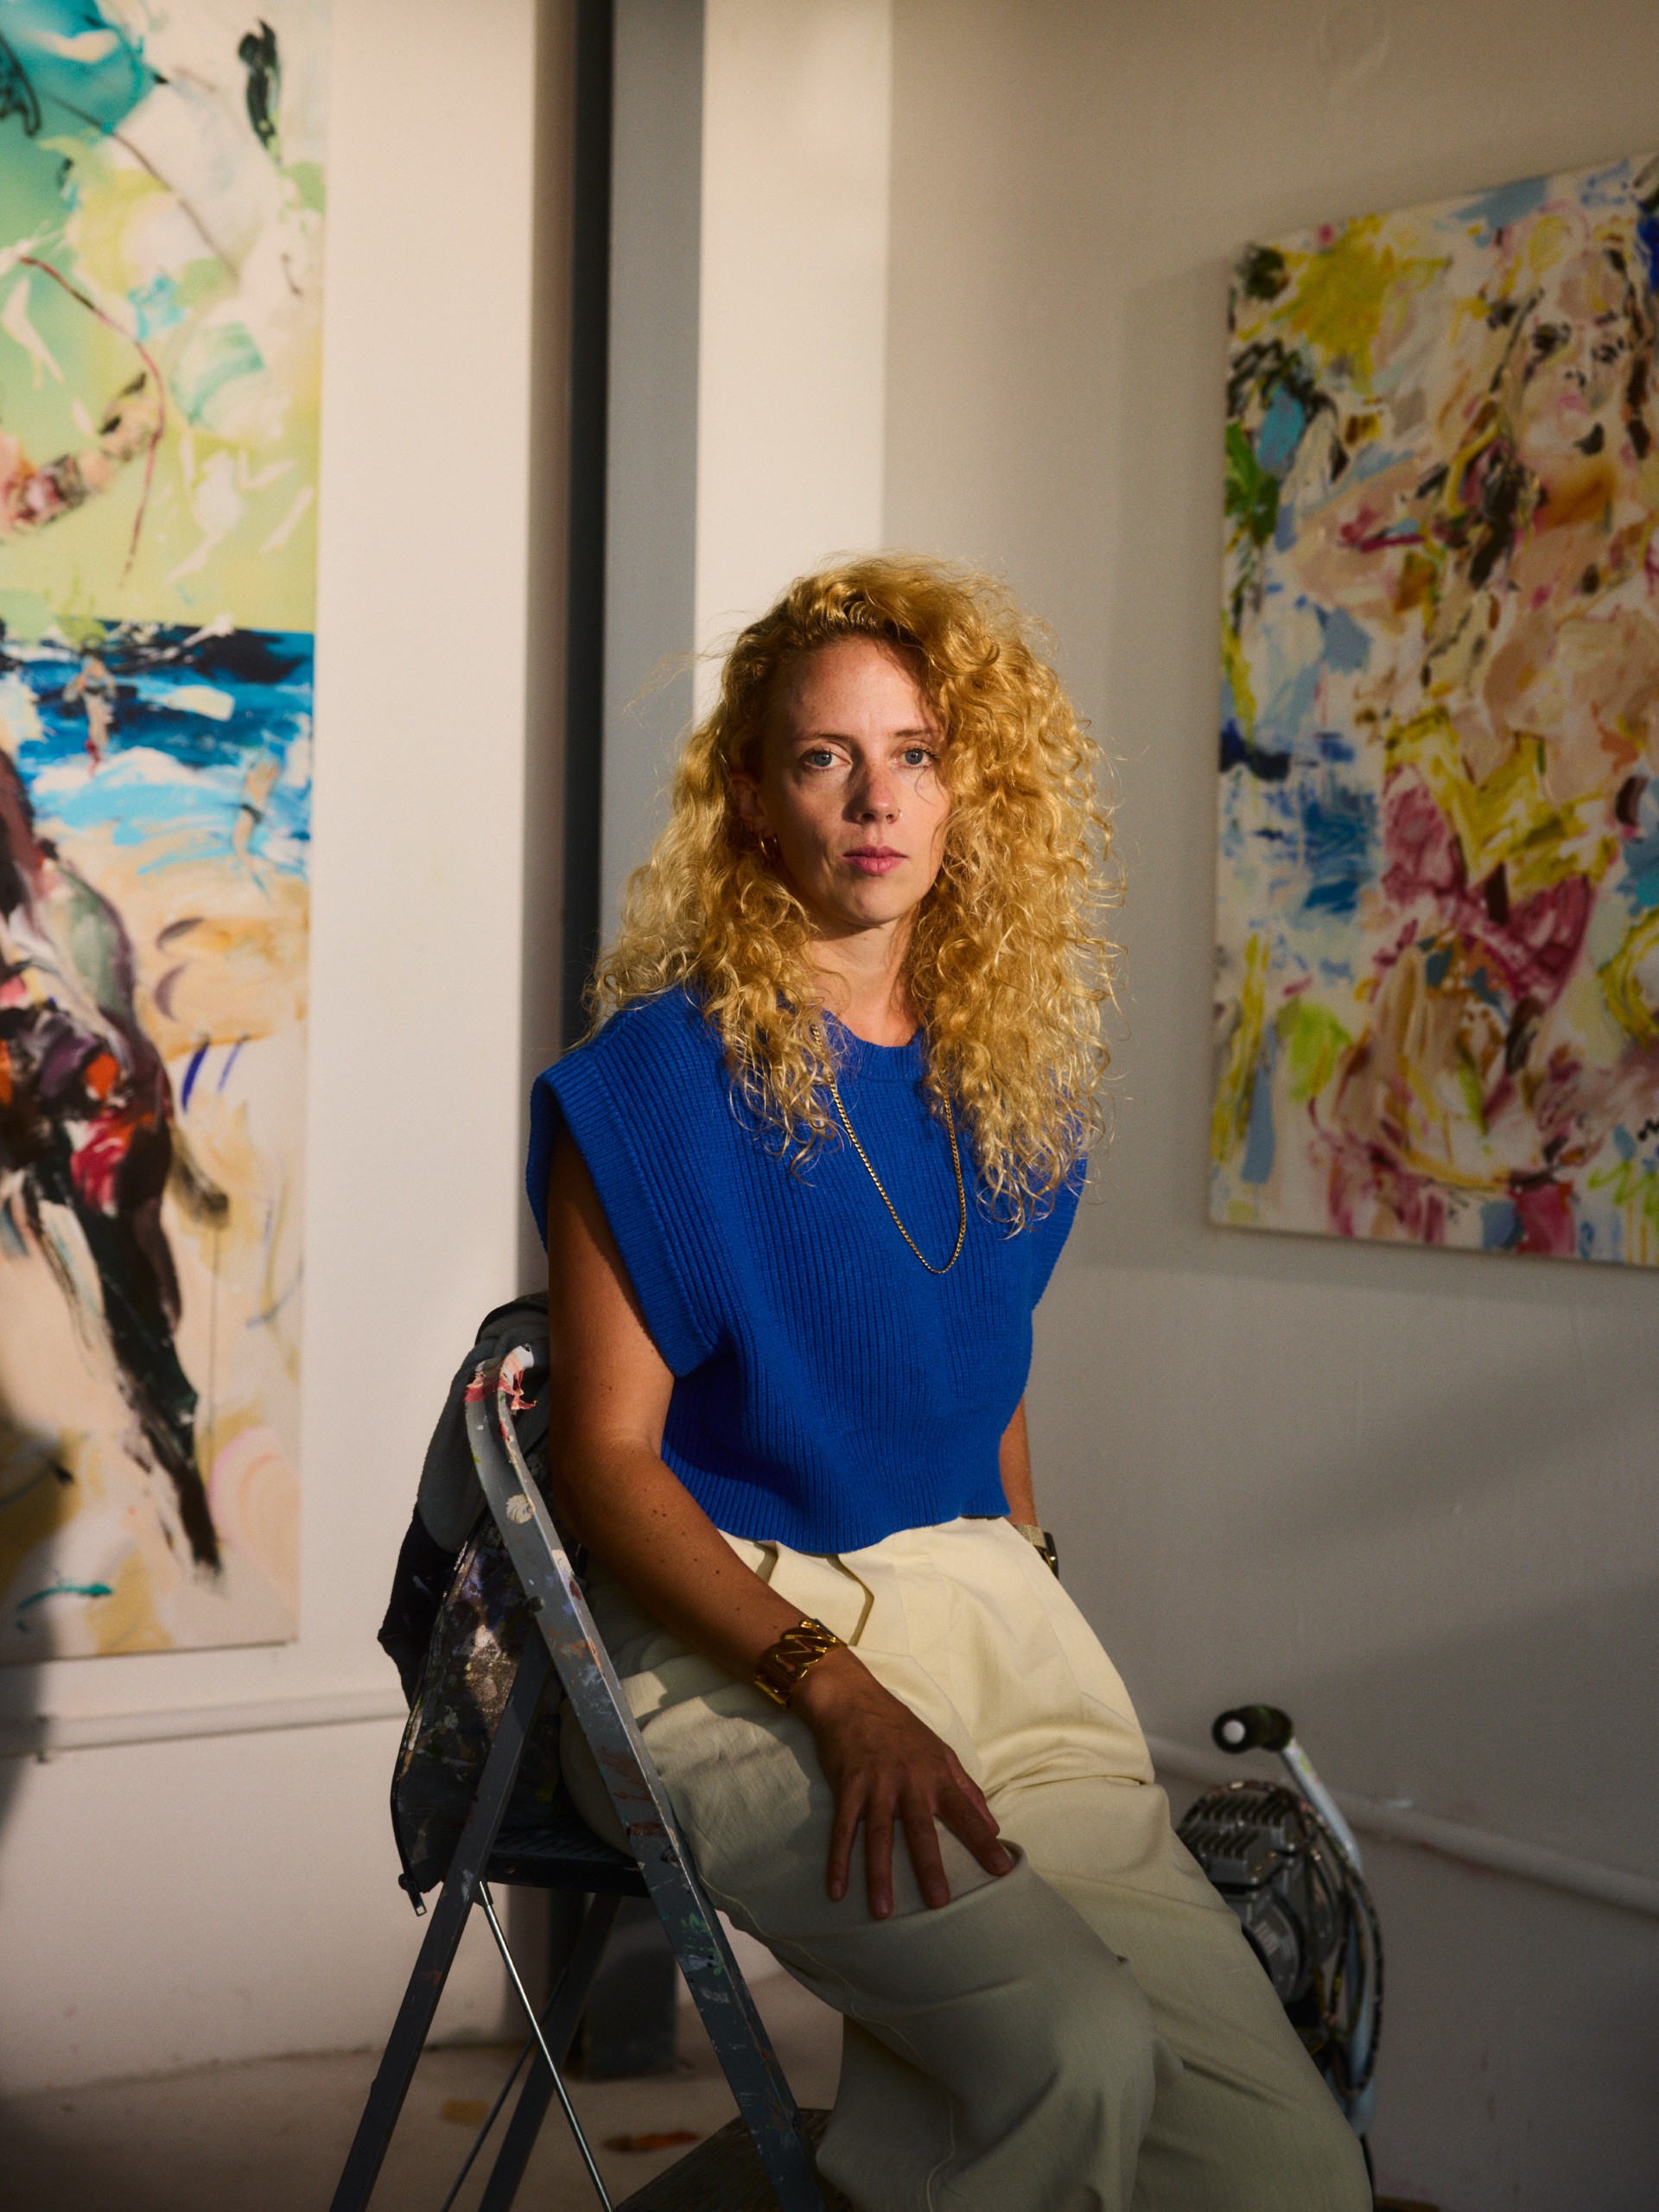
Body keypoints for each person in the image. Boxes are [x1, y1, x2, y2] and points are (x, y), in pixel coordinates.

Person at [528, 556, 1369, 2211]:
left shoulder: (1010, 1077)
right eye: (824, 757)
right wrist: (836, 1688)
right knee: (1074, 2056)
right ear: (753, 799)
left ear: (968, 789)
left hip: (989, 1619)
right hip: (737, 1637)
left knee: (1293, 2170)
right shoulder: (652, 1082)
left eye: (915, 754)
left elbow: (983, 1365)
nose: (876, 800)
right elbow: (606, 1463)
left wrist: (1029, 1580)